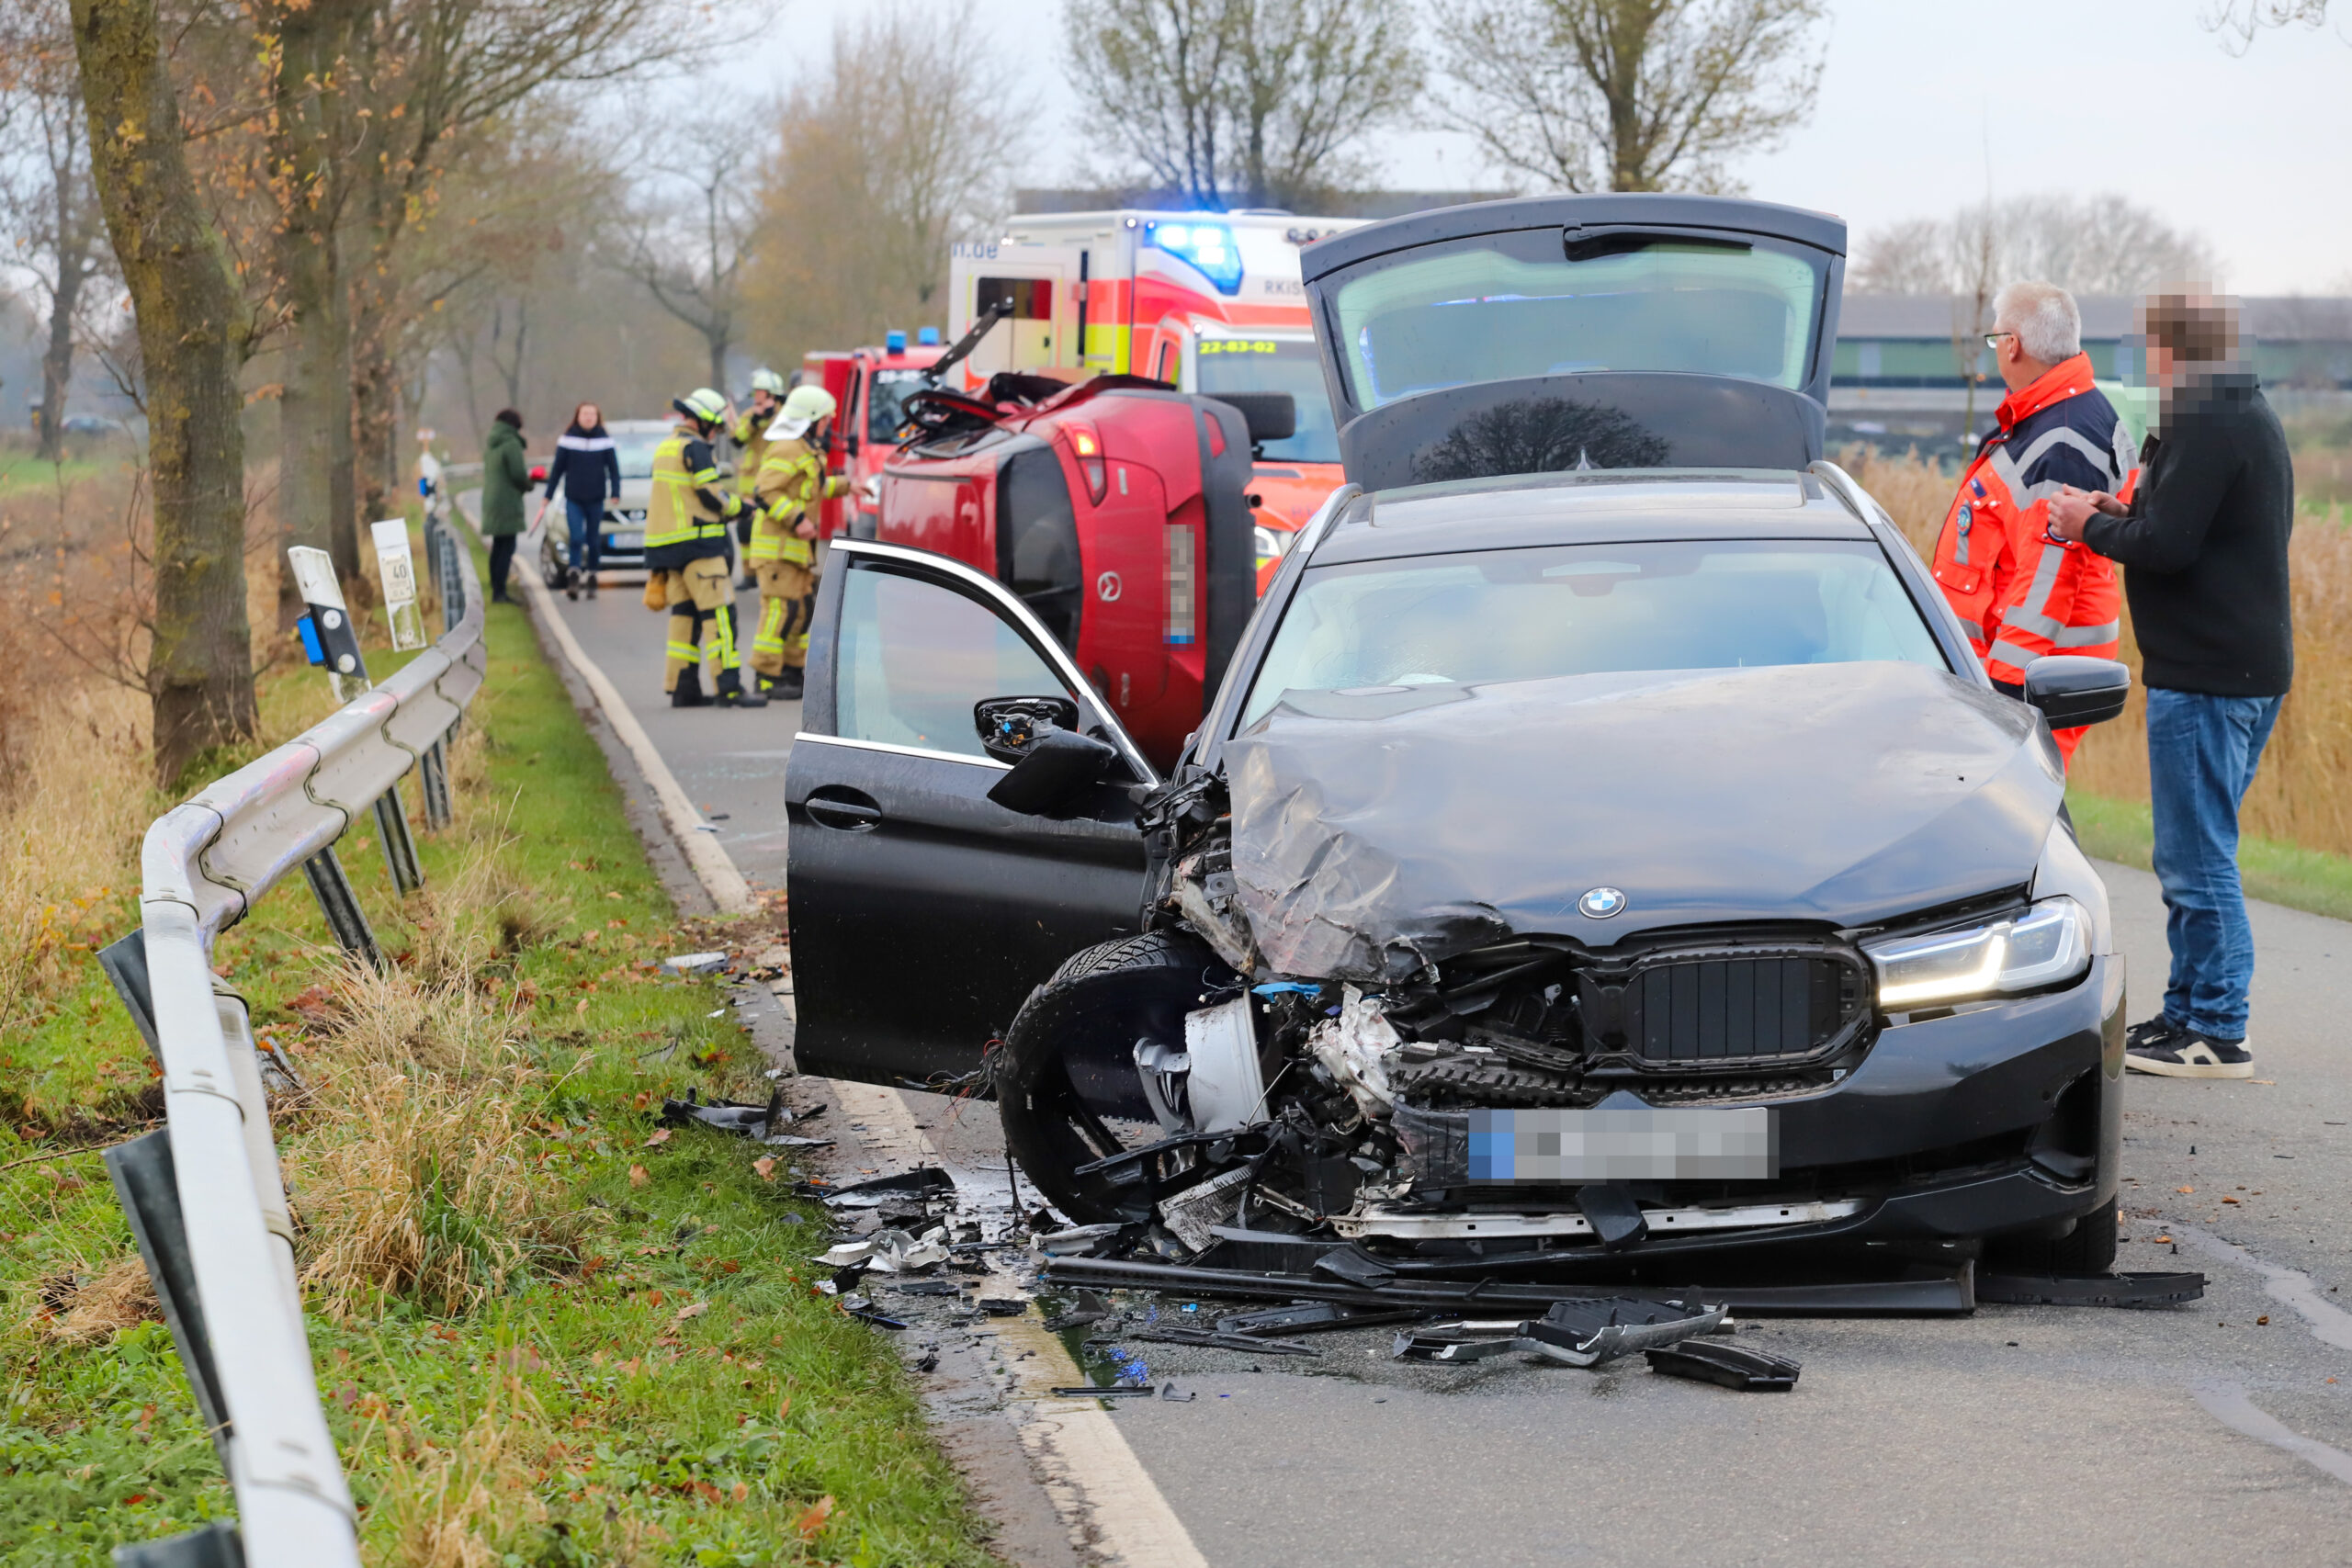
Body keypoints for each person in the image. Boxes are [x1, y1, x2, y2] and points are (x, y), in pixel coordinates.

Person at [2049, 290, 2295, 1080]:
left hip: (2209, 675)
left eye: (2145, 343)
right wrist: (2115, 508)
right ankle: (2188, 1013)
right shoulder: (2236, 410)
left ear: (2171, 347)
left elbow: (2170, 545)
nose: (2139, 358)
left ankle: (2218, 1030)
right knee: (2194, 851)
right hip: (2239, 666)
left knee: (2198, 860)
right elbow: (2188, 528)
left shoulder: (2209, 419)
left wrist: (2087, 525)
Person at [1928, 281, 2132, 764]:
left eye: (1995, 338)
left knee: (2021, 813)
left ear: (2012, 345)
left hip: (2028, 687)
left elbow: (2044, 587)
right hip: (2027, 675)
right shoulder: (2056, 414)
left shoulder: (2060, 440)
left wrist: (2000, 700)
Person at [644, 388, 763, 708]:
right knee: (721, 616)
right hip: (699, 548)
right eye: (716, 427)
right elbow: (712, 495)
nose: (716, 434)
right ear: (704, 422)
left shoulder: (666, 447)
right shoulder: (695, 448)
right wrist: (743, 508)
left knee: (684, 618)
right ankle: (730, 689)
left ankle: (683, 690)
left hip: (669, 552)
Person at [748, 385, 849, 700]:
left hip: (794, 552)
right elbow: (765, 492)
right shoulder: (787, 448)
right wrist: (798, 519)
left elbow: (810, 488)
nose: (829, 425)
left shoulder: (804, 450)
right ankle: (766, 677)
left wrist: (849, 486)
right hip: (777, 551)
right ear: (813, 419)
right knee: (779, 611)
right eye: (826, 419)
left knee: (800, 610)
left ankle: (790, 672)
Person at [535, 402, 622, 600]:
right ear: (578, 416)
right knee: (575, 538)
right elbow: (557, 470)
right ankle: (574, 576)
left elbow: (614, 470)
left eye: (592, 414)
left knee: (593, 540)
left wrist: (616, 492)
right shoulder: (567, 440)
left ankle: (592, 575)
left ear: (597, 417)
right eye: (585, 414)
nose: (589, 417)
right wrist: (547, 495)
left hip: (596, 498)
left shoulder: (605, 440)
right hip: (573, 498)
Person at [730, 369, 786, 589]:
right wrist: (755, 419)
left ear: (772, 394)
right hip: (749, 485)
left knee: (773, 530)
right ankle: (749, 574)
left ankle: (773, 574)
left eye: (760, 391)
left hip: (774, 483)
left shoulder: (784, 415)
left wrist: (771, 416)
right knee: (744, 528)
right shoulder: (750, 414)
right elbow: (737, 439)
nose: (756, 395)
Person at [481, 409, 530, 604]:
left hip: (492, 500)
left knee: (498, 546)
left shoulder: (492, 443)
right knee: (507, 547)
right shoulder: (511, 443)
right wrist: (529, 483)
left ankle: (496, 588)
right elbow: (518, 473)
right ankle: (500, 592)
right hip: (507, 501)